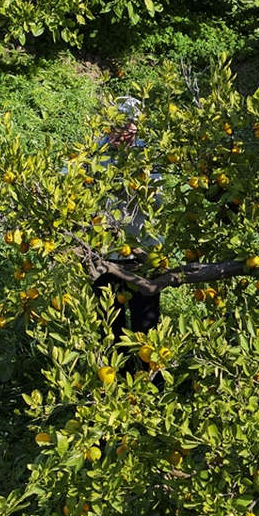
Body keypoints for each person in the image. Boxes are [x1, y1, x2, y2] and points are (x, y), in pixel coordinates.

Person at [91, 97, 163, 360]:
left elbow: (158, 199)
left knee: (146, 328)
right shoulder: (92, 156)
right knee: (109, 327)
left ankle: (149, 383)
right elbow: (71, 189)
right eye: (119, 127)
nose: (124, 134)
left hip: (141, 255)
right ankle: (114, 386)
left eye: (130, 128)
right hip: (103, 256)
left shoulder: (149, 156)